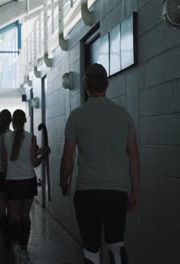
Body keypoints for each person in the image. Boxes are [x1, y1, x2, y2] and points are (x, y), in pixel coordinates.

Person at [60, 63, 140, 264]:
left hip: (88, 192)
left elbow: (68, 157)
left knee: (91, 250)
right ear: (107, 85)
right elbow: (134, 157)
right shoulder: (124, 115)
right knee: (116, 245)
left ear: (86, 85)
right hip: (117, 192)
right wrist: (135, 192)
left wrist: (64, 182)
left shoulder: (76, 116)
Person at [2, 109, 50, 263]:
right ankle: (23, 247)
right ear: (24, 121)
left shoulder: (5, 138)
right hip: (28, 182)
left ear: (13, 122)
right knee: (25, 217)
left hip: (11, 182)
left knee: (14, 217)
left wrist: (6, 180)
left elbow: (4, 164)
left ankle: (16, 247)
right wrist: (44, 154)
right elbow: (34, 163)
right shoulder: (32, 138)